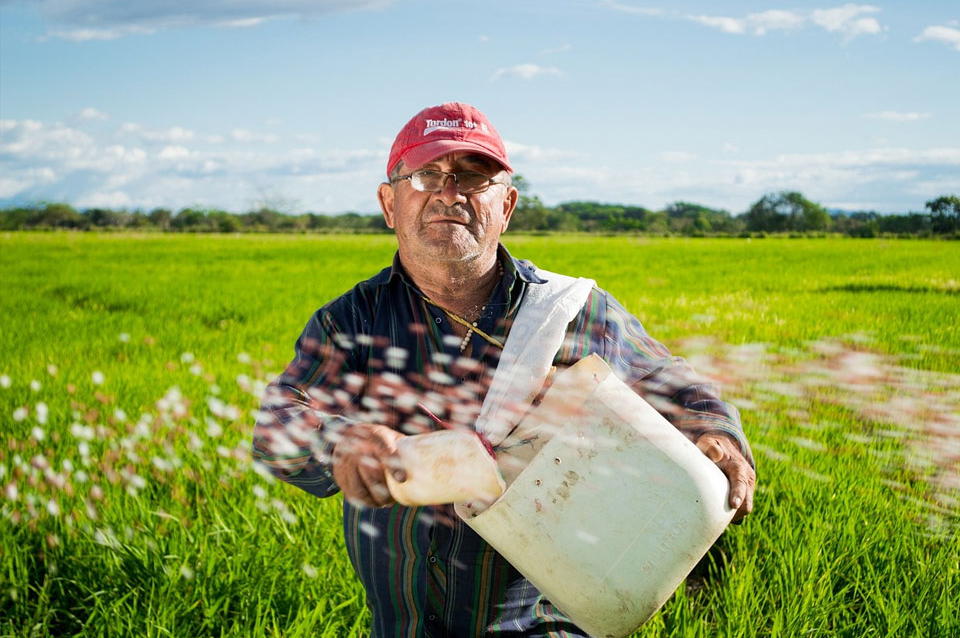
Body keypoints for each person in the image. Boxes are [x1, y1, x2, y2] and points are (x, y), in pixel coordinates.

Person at [253, 102, 755, 636]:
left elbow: (672, 383)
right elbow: (277, 423)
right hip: (404, 624)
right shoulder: (351, 321)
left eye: (474, 177)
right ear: (389, 203)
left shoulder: (570, 311)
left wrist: (714, 430)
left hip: (545, 619)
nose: (450, 192)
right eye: (426, 174)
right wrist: (338, 443)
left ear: (507, 204)